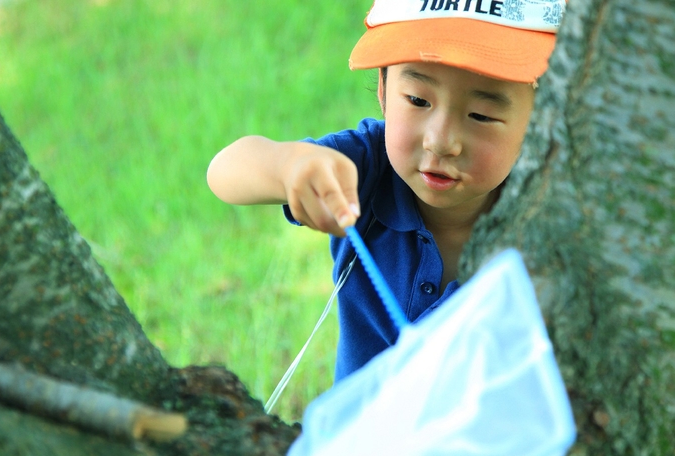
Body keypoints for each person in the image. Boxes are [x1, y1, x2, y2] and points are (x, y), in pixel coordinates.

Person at [207, 0, 565, 382]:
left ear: (542, 115)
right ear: (382, 87)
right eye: (417, 100)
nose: (441, 141)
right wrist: (287, 165)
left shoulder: (552, 213)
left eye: (481, 115)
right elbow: (225, 171)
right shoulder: (368, 168)